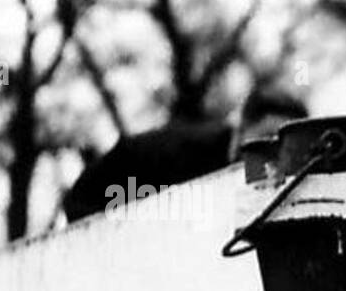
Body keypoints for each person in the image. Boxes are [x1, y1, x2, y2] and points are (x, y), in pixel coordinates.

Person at [62, 85, 308, 224]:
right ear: (241, 128)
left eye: (287, 144)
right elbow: (82, 199)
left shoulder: (263, 178)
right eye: (268, 136)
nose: (275, 152)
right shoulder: (180, 153)